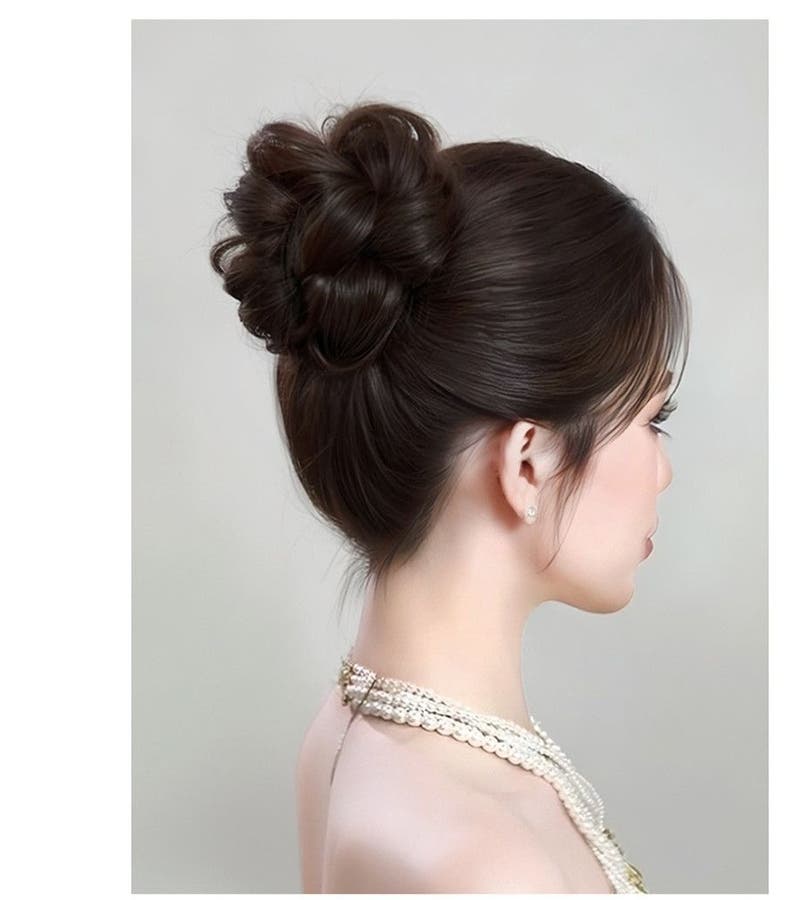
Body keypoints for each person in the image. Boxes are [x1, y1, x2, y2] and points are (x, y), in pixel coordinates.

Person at [209, 100, 690, 893]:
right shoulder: (487, 865)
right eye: (651, 420)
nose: (664, 471)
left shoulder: (349, 732)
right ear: (528, 461)